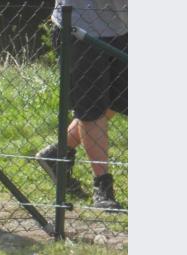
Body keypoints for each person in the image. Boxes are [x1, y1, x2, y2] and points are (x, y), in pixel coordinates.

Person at [36, 0, 128, 210]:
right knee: (92, 107)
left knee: (120, 100)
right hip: (81, 29)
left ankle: (57, 153)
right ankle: (102, 187)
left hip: (123, 28)